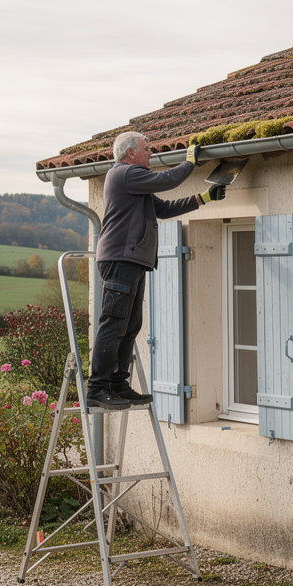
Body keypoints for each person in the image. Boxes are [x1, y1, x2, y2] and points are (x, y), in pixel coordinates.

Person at [87, 132, 225, 409]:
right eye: (147, 149)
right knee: (114, 323)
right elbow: (168, 180)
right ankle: (97, 389)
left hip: (132, 259)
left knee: (130, 325)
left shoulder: (135, 181)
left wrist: (204, 198)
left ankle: (118, 384)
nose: (151, 153)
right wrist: (189, 163)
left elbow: (162, 208)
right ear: (130, 153)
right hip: (120, 258)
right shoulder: (124, 173)